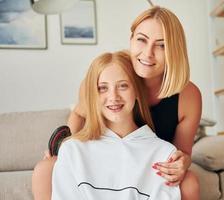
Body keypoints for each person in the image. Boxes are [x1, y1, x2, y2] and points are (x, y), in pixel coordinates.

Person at [33, 6, 201, 200]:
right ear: (131, 39)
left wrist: (180, 164)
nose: (148, 53)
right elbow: (80, 113)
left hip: (149, 162)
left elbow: (183, 152)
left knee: (189, 182)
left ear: (174, 50)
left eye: (161, 45)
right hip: (103, 153)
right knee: (46, 168)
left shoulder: (188, 96)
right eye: (141, 40)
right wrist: (64, 151)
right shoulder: (112, 71)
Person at [50, 51, 181, 199]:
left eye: (123, 86)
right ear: (93, 95)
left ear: (137, 91)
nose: (113, 97)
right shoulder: (72, 150)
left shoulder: (163, 154)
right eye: (103, 88)